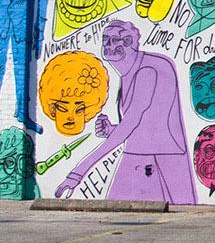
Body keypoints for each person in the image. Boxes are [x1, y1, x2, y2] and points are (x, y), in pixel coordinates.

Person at [55, 21, 195, 203]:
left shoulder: (148, 71)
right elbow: (145, 123)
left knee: (178, 219)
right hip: (140, 153)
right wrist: (112, 130)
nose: (107, 46)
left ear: (129, 42)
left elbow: (131, 122)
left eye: (115, 40)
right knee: (120, 211)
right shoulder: (129, 72)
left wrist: (78, 172)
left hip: (162, 159)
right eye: (105, 40)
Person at [0, 0, 46, 131]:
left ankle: (23, 113)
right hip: (1, 21)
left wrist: (41, 29)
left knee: (24, 70)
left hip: (23, 23)